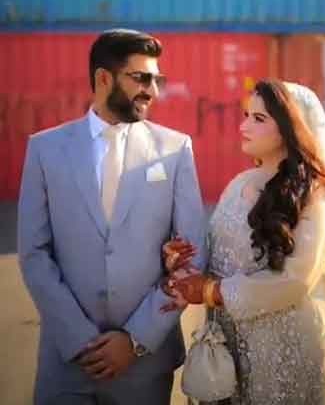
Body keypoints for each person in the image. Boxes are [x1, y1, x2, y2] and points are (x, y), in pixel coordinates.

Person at [162, 80, 325, 404]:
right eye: (247, 115)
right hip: (230, 345)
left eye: (259, 119)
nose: (243, 125)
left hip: (285, 349)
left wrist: (211, 291)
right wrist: (179, 263)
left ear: (292, 128)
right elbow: (214, 257)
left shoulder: (317, 193)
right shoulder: (238, 185)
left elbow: (296, 279)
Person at [17, 29, 206, 404]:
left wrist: (135, 341)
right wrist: (80, 341)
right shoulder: (45, 149)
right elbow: (35, 254)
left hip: (144, 366)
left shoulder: (175, 149)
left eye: (156, 80)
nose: (152, 91)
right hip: (67, 365)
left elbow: (192, 255)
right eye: (141, 78)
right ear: (103, 78)